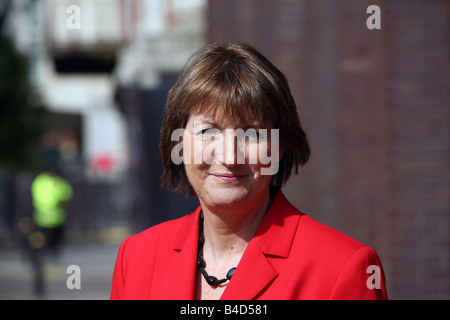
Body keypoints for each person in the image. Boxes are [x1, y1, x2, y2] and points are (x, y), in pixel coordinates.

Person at [110, 43, 388, 300]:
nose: (230, 156)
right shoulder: (135, 259)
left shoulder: (344, 268)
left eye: (252, 134)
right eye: (209, 131)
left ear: (279, 148)